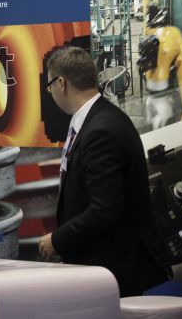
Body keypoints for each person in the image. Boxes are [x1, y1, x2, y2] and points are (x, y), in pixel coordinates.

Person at [39, 46, 170, 297]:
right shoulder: (100, 119)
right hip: (105, 266)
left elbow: (105, 208)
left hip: (115, 272)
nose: (51, 93)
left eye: (49, 86)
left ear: (61, 83)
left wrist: (58, 240)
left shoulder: (100, 131)